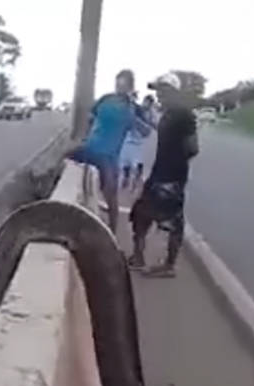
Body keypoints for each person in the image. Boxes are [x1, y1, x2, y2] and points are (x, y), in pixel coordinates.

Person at [127, 73, 198, 279]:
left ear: (172, 91)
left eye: (162, 90)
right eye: (157, 91)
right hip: (159, 173)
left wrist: (175, 162)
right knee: (140, 214)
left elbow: (193, 148)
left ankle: (168, 266)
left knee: (173, 221)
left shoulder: (183, 114)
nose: (158, 95)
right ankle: (138, 257)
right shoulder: (168, 114)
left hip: (171, 176)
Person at [66, 69, 151, 232]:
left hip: (109, 157)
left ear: (130, 87)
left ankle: (112, 231)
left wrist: (133, 119)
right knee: (65, 154)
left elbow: (146, 131)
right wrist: (83, 137)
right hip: (91, 147)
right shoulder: (105, 99)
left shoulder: (133, 107)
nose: (120, 89)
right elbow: (90, 118)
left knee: (111, 195)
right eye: (118, 84)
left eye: (124, 86)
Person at [119, 94, 154, 191]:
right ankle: (126, 180)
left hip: (137, 143)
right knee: (125, 164)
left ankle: (135, 182)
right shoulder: (136, 109)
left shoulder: (147, 114)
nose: (146, 104)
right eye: (146, 102)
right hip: (129, 141)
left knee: (137, 164)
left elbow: (148, 130)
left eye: (149, 103)